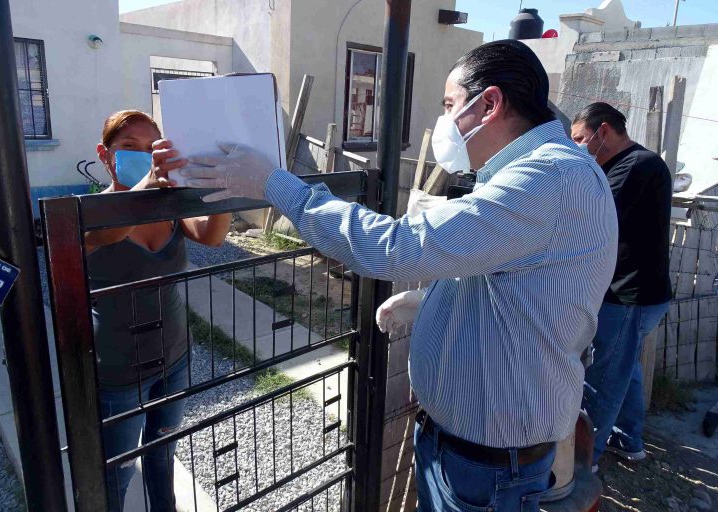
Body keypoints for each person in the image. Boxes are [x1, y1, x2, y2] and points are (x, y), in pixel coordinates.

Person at [171, 40, 618, 511]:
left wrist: (275, 184)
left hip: (489, 470)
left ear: (489, 104)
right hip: (474, 458)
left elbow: (397, 249)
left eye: (450, 106)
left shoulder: (546, 179)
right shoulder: (538, 176)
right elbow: (518, 287)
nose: (444, 121)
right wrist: (430, 305)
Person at [86, 110, 231, 512]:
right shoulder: (90, 212)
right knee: (116, 473)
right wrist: (149, 182)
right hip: (118, 371)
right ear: (104, 154)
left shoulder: (167, 206)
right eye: (129, 148)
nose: (144, 156)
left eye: (152, 149)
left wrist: (223, 189)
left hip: (174, 357)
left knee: (162, 453)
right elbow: (108, 233)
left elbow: (212, 235)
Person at [571, 102, 672, 471]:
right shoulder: (618, 165)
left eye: (580, 138)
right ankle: (629, 439)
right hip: (631, 293)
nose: (578, 147)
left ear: (604, 132)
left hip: (628, 295)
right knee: (624, 366)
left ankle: (585, 462)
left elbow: (589, 216)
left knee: (603, 379)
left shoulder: (636, 166)